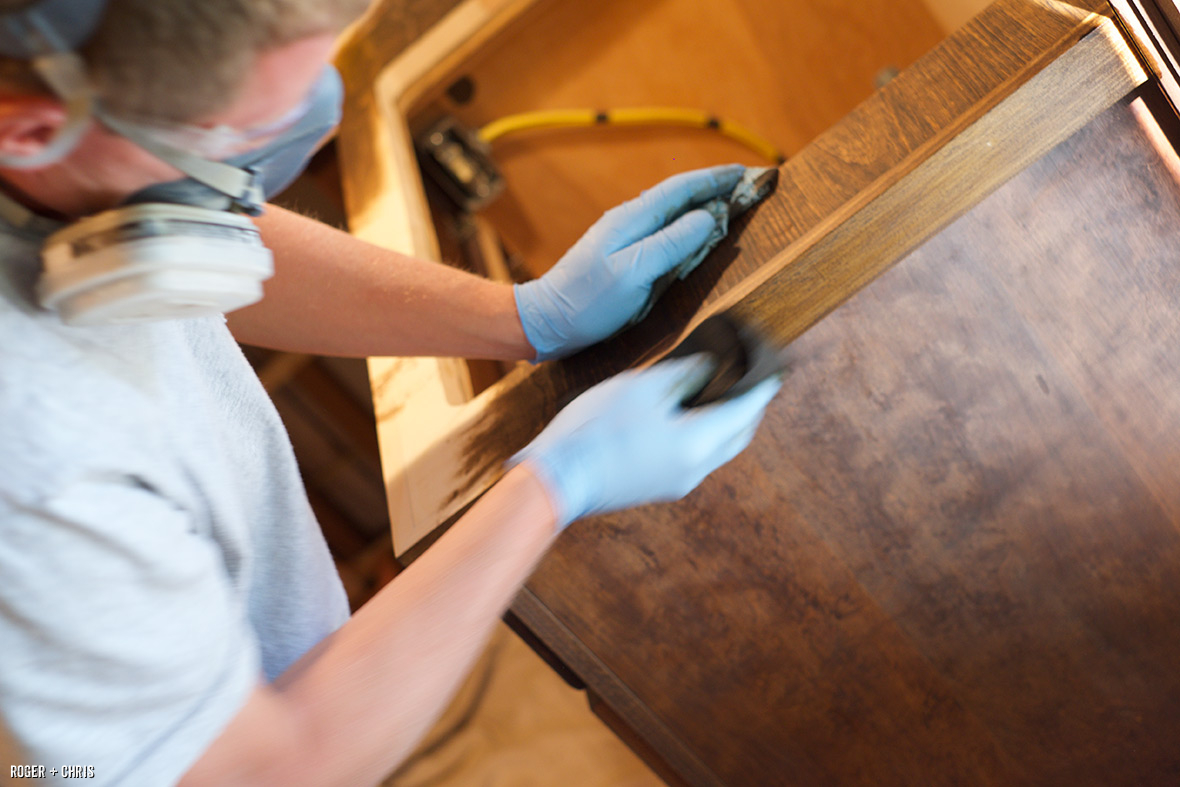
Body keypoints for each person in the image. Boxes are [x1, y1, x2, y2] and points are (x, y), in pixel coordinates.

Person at [0, 1, 780, 784]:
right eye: (227, 138)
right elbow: (258, 769)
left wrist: (523, 319)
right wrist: (555, 485)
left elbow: (181, 233)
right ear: (32, 131)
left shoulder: (87, 163)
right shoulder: (32, 459)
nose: (251, 183)